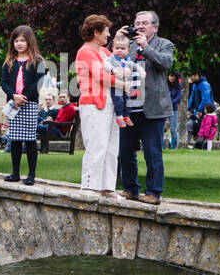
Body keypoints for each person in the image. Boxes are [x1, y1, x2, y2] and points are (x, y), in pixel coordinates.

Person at [116, 11, 174, 205]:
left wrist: (146, 47)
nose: (140, 26)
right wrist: (117, 36)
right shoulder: (128, 45)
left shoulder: (164, 44)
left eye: (144, 23)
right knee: (125, 151)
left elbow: (165, 63)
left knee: (152, 152)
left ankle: (153, 192)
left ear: (155, 27)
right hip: (129, 108)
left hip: (153, 110)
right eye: (137, 23)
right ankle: (130, 188)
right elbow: (111, 59)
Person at [74, 14, 118, 197]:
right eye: (106, 31)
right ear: (96, 32)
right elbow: (101, 76)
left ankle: (107, 187)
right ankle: (89, 185)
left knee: (111, 147)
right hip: (93, 104)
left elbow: (120, 62)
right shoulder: (86, 51)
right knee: (97, 145)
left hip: (110, 104)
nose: (108, 35)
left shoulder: (105, 52)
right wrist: (123, 83)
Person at [0, 25, 45, 184]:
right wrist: (13, 95)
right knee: (15, 139)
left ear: (29, 42)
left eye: (22, 40)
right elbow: (3, 82)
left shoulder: (37, 61)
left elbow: (38, 83)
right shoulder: (9, 62)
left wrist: (24, 96)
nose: (19, 44)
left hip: (29, 103)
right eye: (16, 40)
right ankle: (15, 172)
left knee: (30, 139)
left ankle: (31, 175)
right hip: (13, 104)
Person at [104, 30, 141, 128]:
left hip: (125, 86)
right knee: (119, 101)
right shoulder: (111, 59)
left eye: (123, 48)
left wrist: (141, 71)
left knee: (127, 100)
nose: (120, 50)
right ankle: (119, 116)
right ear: (112, 48)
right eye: (117, 48)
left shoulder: (127, 60)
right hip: (116, 85)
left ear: (128, 50)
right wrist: (112, 69)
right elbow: (105, 64)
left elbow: (134, 65)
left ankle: (126, 115)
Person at [166, 71, 182, 149]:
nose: (171, 78)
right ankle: (161, 146)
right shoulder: (165, 84)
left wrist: (171, 102)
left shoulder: (178, 86)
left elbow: (178, 97)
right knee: (162, 128)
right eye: (170, 76)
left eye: (173, 76)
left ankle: (173, 146)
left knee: (173, 128)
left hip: (173, 109)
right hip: (164, 108)